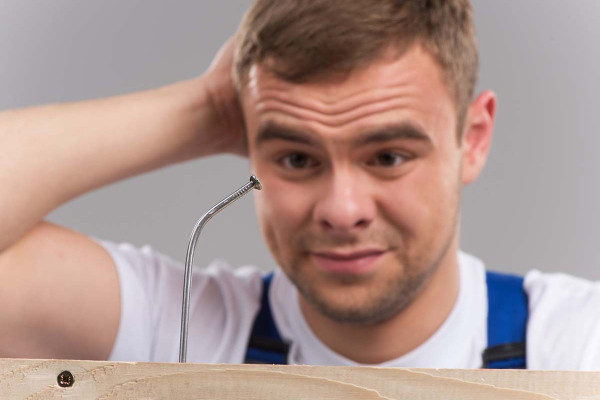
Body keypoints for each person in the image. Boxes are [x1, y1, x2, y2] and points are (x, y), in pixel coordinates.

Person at [1, 0, 599, 369]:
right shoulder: (175, 329)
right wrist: (207, 107)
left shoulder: (577, 345)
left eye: (388, 155)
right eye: (296, 158)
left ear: (473, 138)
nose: (342, 211)